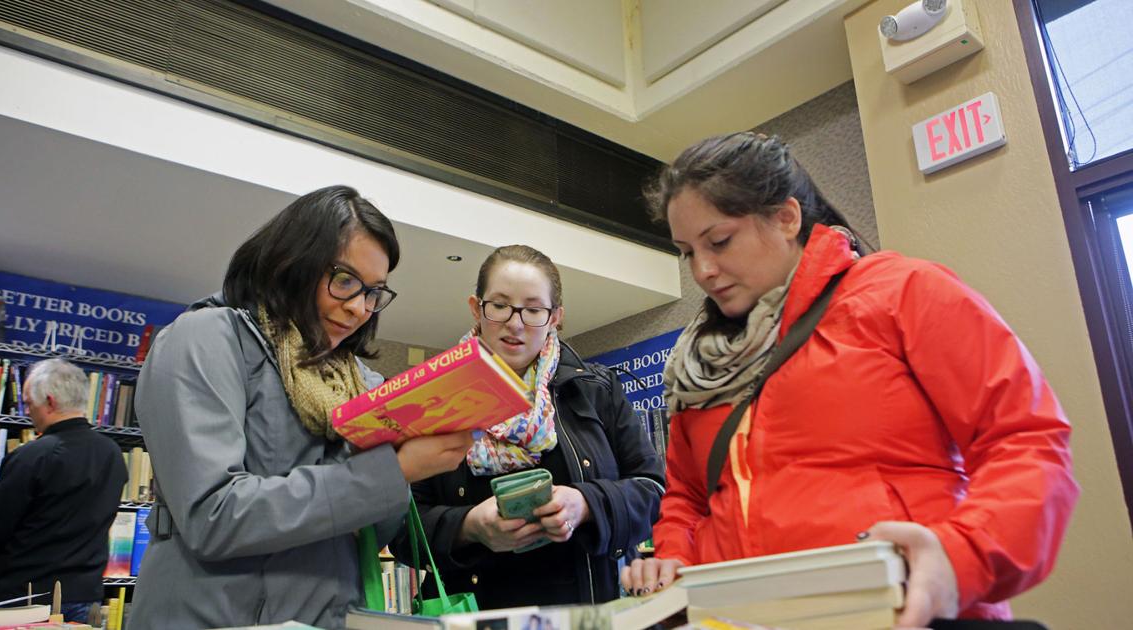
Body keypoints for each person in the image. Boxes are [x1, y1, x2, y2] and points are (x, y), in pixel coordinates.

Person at [619, 133, 1079, 625]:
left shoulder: (902, 292)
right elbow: (687, 498)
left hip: (902, 612)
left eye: (719, 241)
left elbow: (1026, 440)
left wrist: (961, 555)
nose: (703, 271)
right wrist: (676, 565)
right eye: (687, 252)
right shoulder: (697, 363)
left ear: (786, 217)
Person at [126, 186, 475, 630]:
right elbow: (213, 515)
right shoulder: (205, 338)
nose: (358, 308)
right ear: (292, 262)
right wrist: (393, 471)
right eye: (344, 280)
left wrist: (405, 456)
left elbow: (369, 533)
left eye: (373, 292)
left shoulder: (360, 383)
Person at [393, 245, 665, 608]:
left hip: (584, 612)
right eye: (500, 306)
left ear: (555, 317)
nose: (515, 323)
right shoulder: (435, 400)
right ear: (477, 307)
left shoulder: (596, 389)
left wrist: (585, 503)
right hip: (478, 613)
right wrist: (470, 525)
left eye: (534, 309)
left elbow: (653, 490)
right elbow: (400, 531)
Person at [0, 358, 126, 623]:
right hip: (84, 594)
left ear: (50, 401)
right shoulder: (112, 453)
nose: (28, 412)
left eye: (29, 403)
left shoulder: (33, 456)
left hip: (23, 598)